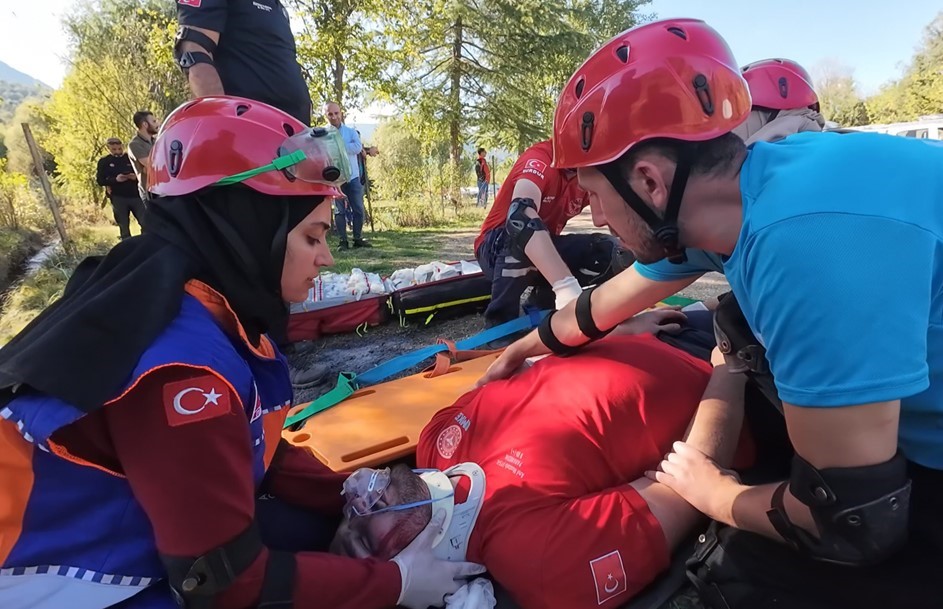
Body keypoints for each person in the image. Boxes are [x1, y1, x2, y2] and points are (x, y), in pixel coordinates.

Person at [477, 18, 943, 609]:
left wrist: (712, 490)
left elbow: (853, 524)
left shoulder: (801, 246)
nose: (594, 218)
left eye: (594, 195)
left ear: (648, 181)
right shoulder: (742, 194)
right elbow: (606, 304)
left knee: (736, 576)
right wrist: (530, 343)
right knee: (729, 330)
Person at [0, 96, 481, 609]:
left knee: (301, 527)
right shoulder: (182, 368)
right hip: (52, 584)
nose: (327, 256)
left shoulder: (182, 296)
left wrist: (355, 499)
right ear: (249, 227)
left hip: (108, 531)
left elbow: (255, 449)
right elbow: (222, 583)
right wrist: (397, 585)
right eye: (313, 235)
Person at [331, 320, 751, 609]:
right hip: (729, 378)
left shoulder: (436, 443)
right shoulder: (536, 560)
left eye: (346, 513)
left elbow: (525, 371)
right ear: (411, 577)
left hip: (650, 331)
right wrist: (730, 367)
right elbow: (690, 484)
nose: (360, 505)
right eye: (364, 538)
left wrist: (617, 328)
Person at [473, 139, 633, 327]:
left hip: (543, 245)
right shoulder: (540, 158)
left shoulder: (592, 168)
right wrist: (567, 288)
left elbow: (616, 213)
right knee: (520, 233)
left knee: (611, 250)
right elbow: (519, 217)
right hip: (495, 246)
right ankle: (499, 323)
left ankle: (543, 304)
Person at [173, 0, 312, 123]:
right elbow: (195, 51)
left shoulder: (279, 8)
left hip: (296, 135)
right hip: (248, 132)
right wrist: (221, 122)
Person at [324, 101, 371, 249]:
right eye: (330, 114)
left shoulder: (351, 132)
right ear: (326, 115)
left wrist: (338, 146)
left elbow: (357, 148)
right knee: (339, 210)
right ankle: (342, 241)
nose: (334, 117)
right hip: (335, 178)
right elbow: (323, 151)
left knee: (358, 208)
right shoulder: (323, 134)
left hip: (353, 176)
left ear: (341, 113)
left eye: (336, 113)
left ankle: (357, 238)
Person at [96, 137, 147, 240]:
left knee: (145, 223)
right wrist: (115, 180)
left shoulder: (129, 158)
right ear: (108, 148)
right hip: (118, 197)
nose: (117, 151)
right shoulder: (104, 162)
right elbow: (100, 180)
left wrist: (135, 177)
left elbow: (143, 173)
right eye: (114, 149)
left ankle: (146, 243)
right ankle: (127, 247)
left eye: (119, 149)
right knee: (123, 226)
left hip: (136, 196)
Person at [128, 110, 159, 206]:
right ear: (145, 124)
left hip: (163, 189)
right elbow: (152, 165)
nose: (157, 124)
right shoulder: (135, 145)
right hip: (150, 193)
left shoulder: (157, 141)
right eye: (154, 122)